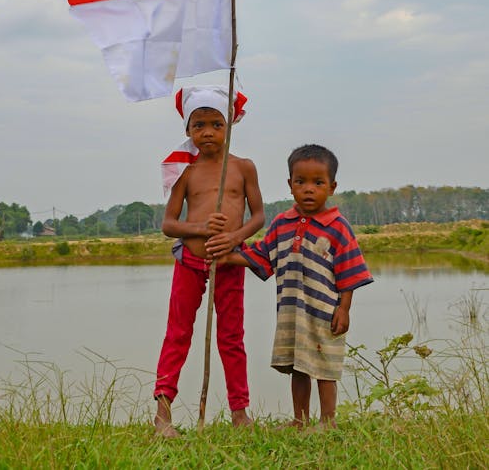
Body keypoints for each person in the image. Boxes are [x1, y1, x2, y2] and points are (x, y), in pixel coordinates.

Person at [206, 143, 373, 431]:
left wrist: (344, 309)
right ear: (290, 185)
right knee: (298, 366)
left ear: (331, 187)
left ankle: (327, 421)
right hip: (291, 313)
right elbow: (262, 255)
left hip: (324, 312)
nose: (309, 189)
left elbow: (350, 271)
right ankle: (300, 420)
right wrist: (228, 257)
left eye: (318, 183)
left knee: (323, 368)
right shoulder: (283, 223)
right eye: (301, 182)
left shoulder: (338, 227)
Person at [154, 86, 265, 436]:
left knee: (232, 337)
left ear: (229, 125)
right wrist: (201, 228)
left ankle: (239, 412)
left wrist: (235, 237)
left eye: (216, 124)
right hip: (190, 262)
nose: (207, 132)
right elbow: (169, 225)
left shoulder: (243, 168)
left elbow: (258, 216)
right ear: (188, 130)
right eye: (198, 125)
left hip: (229, 263)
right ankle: (163, 417)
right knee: (178, 334)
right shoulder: (184, 171)